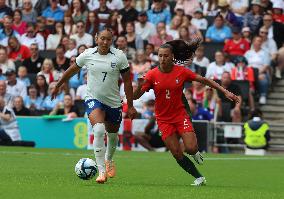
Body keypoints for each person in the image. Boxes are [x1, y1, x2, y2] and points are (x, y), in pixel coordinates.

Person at [133, 40, 240, 186]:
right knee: (176, 153)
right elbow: (135, 97)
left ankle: (195, 153)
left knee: (190, 148)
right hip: (163, 119)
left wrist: (225, 91)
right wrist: (139, 86)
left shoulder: (181, 72)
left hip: (180, 115)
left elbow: (204, 80)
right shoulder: (152, 75)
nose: (163, 59)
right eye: (160, 56)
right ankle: (199, 177)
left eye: (166, 56)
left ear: (172, 57)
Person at [51, 28, 137, 184]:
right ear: (96, 38)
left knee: (112, 135)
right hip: (93, 99)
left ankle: (109, 160)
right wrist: (58, 84)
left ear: (112, 41)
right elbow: (72, 70)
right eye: (102, 38)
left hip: (113, 102)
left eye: (108, 39)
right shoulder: (87, 55)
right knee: (98, 130)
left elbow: (128, 81)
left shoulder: (119, 56)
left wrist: (130, 106)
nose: (105, 42)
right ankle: (101, 171)